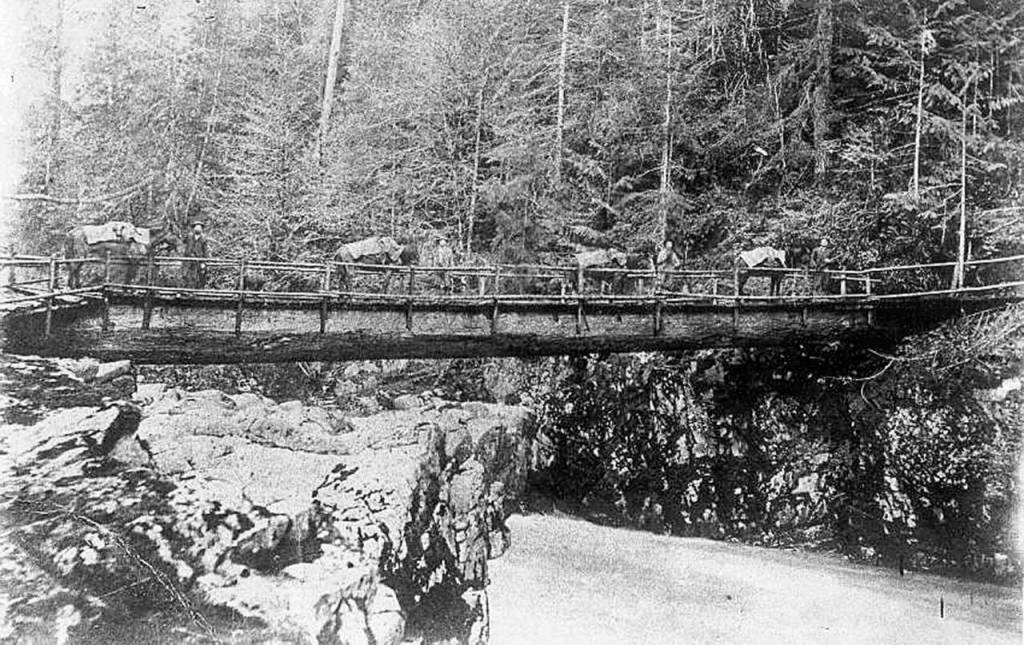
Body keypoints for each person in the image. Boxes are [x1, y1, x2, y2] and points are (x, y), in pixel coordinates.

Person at [184, 223, 209, 288]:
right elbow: (184, 243)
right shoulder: (189, 236)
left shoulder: (203, 238)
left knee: (199, 275)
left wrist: (204, 261)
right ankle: (187, 289)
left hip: (199, 259)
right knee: (187, 274)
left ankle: (198, 289)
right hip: (189, 258)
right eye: (196, 227)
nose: (197, 229)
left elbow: (205, 250)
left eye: (199, 228)